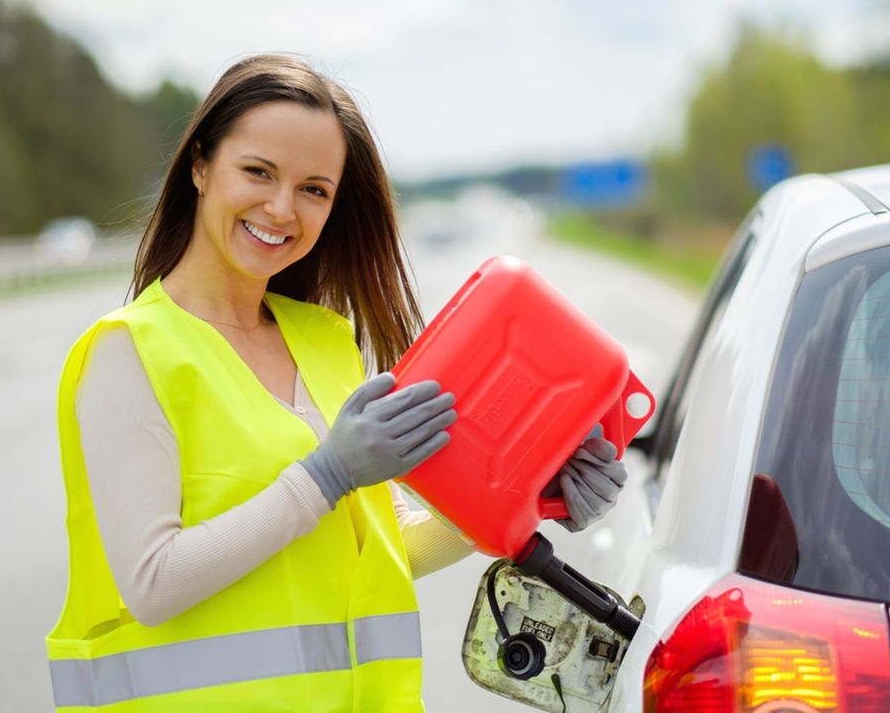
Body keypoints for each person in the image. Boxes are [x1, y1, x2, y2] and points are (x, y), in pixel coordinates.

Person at [45, 54, 628, 712]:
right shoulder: (129, 352)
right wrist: (325, 475)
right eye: (258, 172)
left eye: (313, 189)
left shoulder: (325, 342)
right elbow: (152, 581)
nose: (281, 207)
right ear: (200, 166)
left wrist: (519, 496)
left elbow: (377, 551)